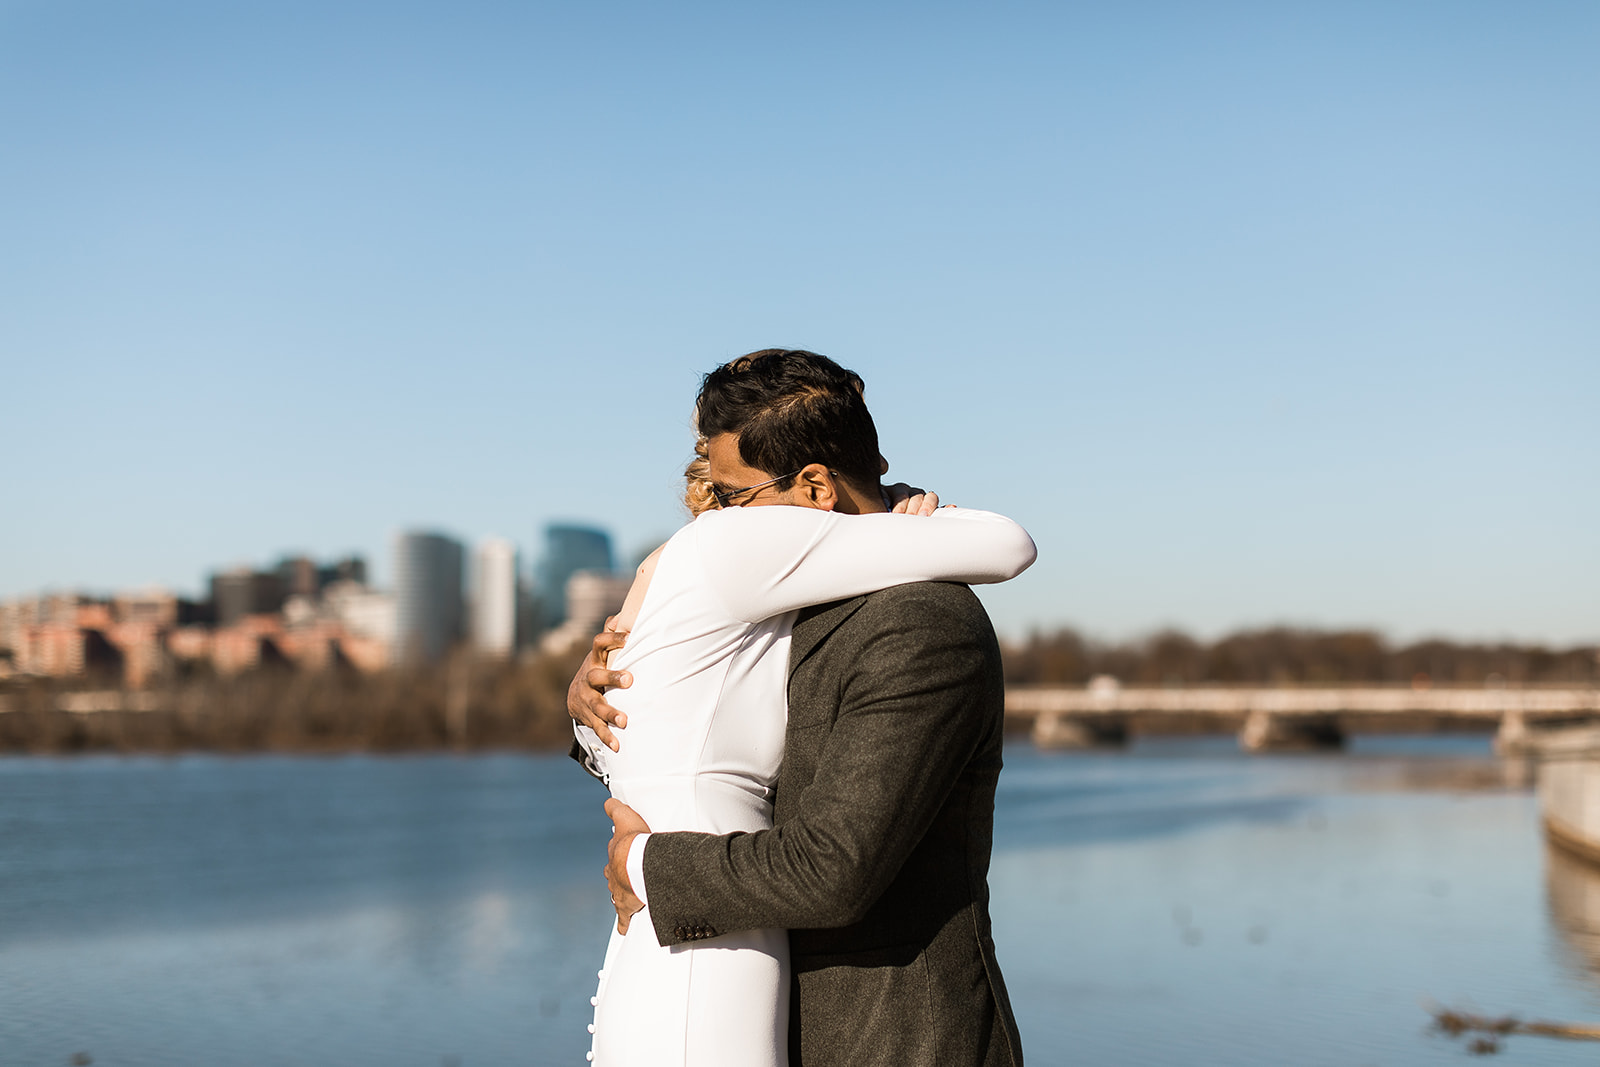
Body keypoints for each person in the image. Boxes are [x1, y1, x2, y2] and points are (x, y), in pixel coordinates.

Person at [571, 350, 1031, 1066]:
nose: (714, 514)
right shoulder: (780, 596)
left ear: (816, 485)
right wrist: (598, 689)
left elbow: (833, 869)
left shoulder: (921, 624)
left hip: (892, 1039)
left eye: (733, 496)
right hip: (749, 995)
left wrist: (643, 863)